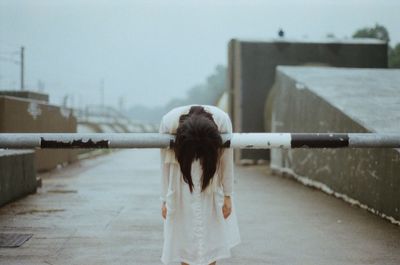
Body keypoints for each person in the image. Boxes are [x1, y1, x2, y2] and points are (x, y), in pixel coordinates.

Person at [159, 105, 240, 265]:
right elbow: (164, 163)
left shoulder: (222, 121)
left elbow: (226, 159)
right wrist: (164, 199)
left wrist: (228, 195)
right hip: (180, 172)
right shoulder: (169, 122)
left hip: (210, 169)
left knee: (213, 231)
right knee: (182, 232)